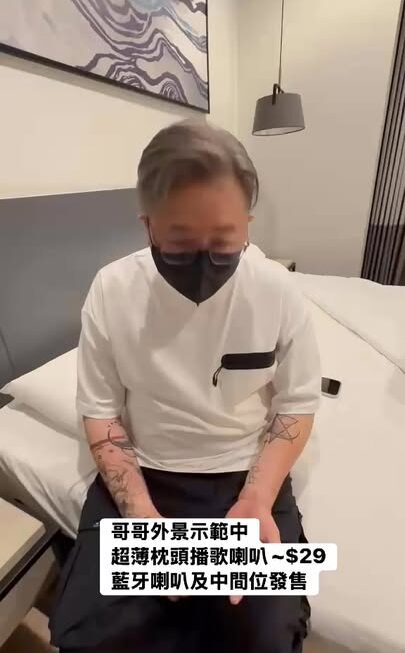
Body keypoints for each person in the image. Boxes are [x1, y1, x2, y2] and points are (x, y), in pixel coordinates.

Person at [50, 119, 321, 653]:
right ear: (147, 227)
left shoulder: (277, 289)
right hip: (146, 478)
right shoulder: (112, 289)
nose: (204, 262)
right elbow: (101, 412)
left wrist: (257, 497)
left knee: (264, 637)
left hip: (243, 480)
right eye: (178, 244)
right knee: (94, 636)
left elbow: (297, 403)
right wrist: (141, 518)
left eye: (223, 242)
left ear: (247, 223)